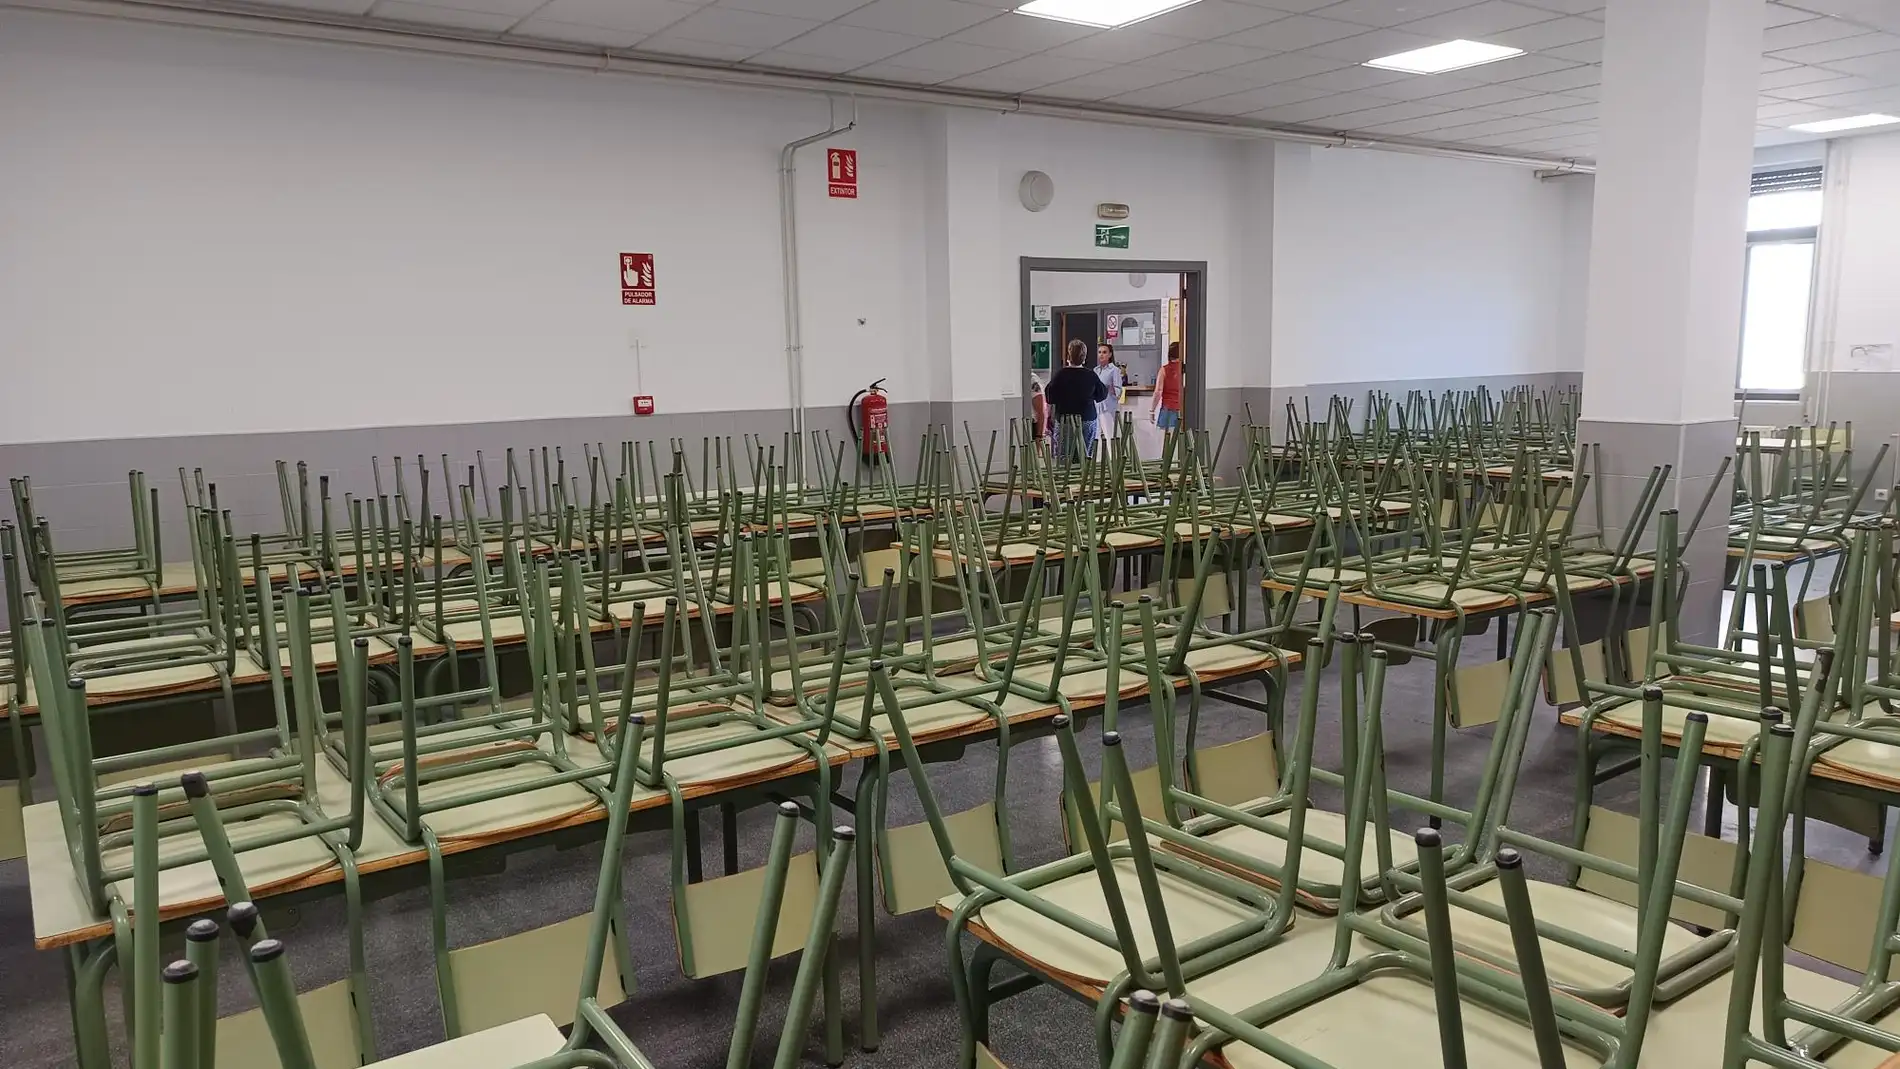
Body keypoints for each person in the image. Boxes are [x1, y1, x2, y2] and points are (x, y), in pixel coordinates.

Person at [1045, 339, 1107, 460]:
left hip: (1065, 420)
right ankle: (1084, 476)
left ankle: (1065, 477)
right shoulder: (1091, 375)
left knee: (1064, 457)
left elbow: (1049, 397)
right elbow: (1102, 394)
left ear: (1069, 356)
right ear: (1084, 357)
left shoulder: (1060, 375)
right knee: (1085, 455)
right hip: (1087, 419)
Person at [1093, 342, 1124, 444]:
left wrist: (1110, 388)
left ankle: (1112, 458)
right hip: (1096, 407)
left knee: (1109, 436)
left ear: (1110, 354)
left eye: (1104, 352)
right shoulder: (1095, 371)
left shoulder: (1114, 370)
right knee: (1095, 437)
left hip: (1108, 407)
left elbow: (1119, 390)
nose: (1101, 355)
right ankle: (1096, 459)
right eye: (1099, 352)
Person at [1151, 341, 1185, 431]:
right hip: (1182, 409)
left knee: (1166, 442)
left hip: (1167, 409)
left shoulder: (1164, 370)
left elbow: (1158, 391)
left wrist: (1152, 410)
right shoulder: (1184, 369)